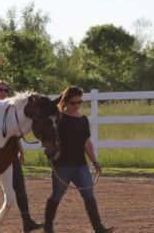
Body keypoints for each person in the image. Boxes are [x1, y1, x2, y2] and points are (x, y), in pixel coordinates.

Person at [44, 86, 114, 233]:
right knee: (56, 196)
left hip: (80, 165)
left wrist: (95, 162)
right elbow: (48, 136)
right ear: (65, 101)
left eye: (79, 102)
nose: (76, 105)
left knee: (89, 196)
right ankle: (48, 227)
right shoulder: (59, 118)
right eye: (73, 102)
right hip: (62, 165)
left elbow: (86, 143)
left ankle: (98, 227)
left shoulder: (83, 119)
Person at [0, 80, 44, 232]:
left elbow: (13, 135)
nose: (3, 92)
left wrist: (20, 151)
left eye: (5, 90)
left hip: (9, 154)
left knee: (19, 186)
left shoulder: (9, 110)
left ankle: (27, 221)